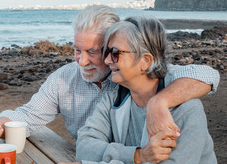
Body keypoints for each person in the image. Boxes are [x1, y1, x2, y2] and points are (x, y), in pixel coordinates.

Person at [0, 5, 219, 141]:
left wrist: (159, 101)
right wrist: (0, 124)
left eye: (93, 52)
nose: (81, 62)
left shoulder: (135, 77)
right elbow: (29, 114)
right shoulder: (64, 79)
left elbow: (208, 76)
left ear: (112, 47)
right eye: (76, 50)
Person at [75, 16, 216, 164]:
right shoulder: (114, 97)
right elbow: (84, 147)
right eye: (106, 51)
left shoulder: (186, 110)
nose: (107, 60)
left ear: (146, 60)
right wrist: (137, 155)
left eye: (115, 52)